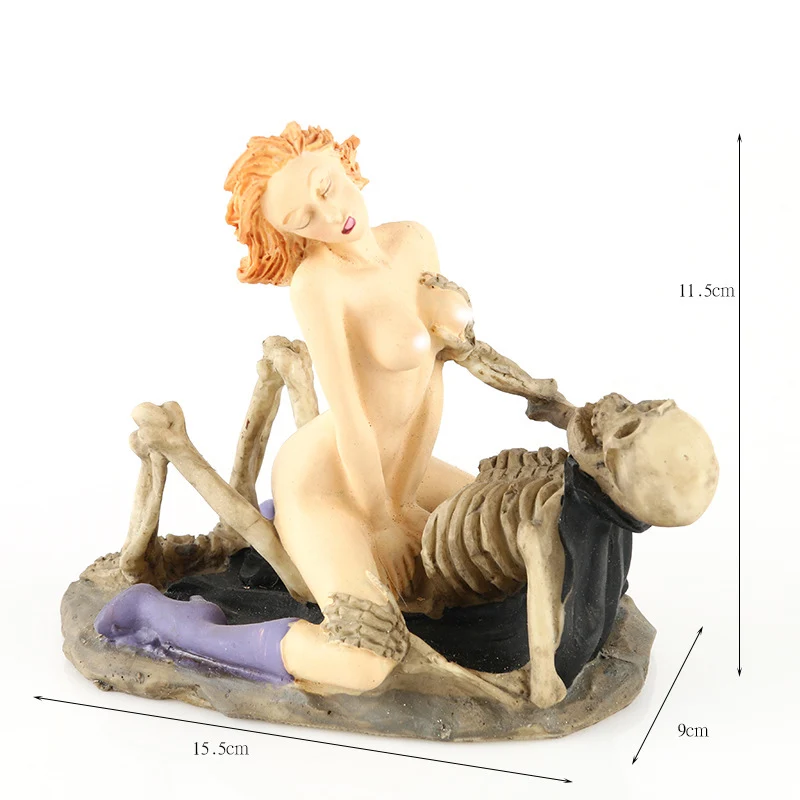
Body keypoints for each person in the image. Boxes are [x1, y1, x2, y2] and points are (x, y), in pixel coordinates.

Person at [97, 123, 476, 692]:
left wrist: (403, 501)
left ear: (344, 162)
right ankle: (174, 624)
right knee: (365, 663)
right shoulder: (318, 285)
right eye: (304, 220)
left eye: (327, 187)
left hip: (400, 466)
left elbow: (431, 378)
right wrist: (380, 523)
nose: (332, 216)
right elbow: (350, 415)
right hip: (329, 478)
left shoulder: (415, 242)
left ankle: (308, 537)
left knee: (512, 530)